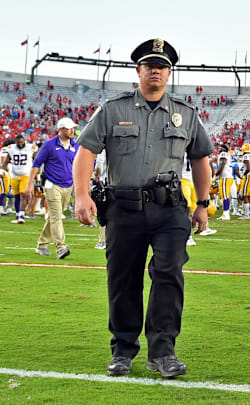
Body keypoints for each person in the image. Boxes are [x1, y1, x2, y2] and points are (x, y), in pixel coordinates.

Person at [72, 39, 213, 378]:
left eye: (162, 66)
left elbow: (200, 159)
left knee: (168, 276)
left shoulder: (187, 114)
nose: (155, 70)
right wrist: (80, 195)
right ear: (138, 70)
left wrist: (203, 205)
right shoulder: (113, 109)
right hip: (123, 206)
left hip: (170, 210)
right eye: (149, 65)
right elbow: (87, 152)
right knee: (123, 279)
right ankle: (123, 349)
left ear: (169, 73)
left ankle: (163, 352)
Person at [27, 118, 78, 259]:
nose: (72, 130)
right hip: (52, 184)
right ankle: (61, 248)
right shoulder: (49, 145)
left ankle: (42, 244)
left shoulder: (76, 145)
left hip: (69, 184)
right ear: (60, 129)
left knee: (54, 216)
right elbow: (37, 164)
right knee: (56, 216)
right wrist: (30, 183)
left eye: (73, 128)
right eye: (69, 128)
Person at [2, 134, 36, 223]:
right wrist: (3, 170)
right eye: (18, 143)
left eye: (21, 142)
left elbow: (36, 160)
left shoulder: (30, 147)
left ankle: (21, 215)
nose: (20, 144)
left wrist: (36, 172)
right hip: (14, 175)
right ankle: (18, 216)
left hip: (26, 174)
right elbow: (6, 161)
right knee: (16, 196)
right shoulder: (11, 149)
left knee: (23, 194)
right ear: (15, 142)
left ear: (24, 141)